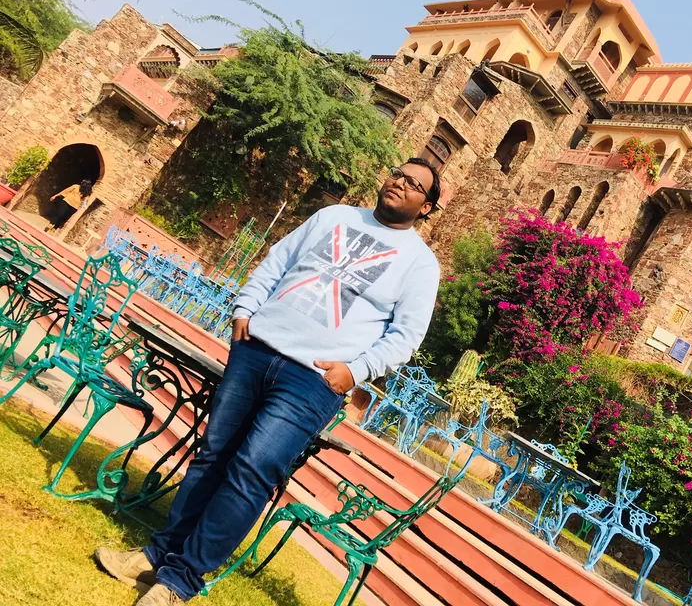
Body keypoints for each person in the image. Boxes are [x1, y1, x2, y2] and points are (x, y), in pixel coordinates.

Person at [94, 159, 442, 605]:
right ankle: (155, 556)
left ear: (425, 207)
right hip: (256, 351)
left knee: (250, 473)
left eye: (414, 185)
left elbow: (406, 336)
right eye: (399, 173)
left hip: (313, 382)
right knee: (212, 456)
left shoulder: (419, 264)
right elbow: (279, 260)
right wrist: (244, 309)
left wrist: (353, 372)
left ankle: (177, 583)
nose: (400, 183)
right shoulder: (334, 216)